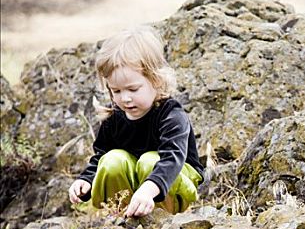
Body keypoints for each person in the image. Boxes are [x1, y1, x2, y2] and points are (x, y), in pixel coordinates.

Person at [68, 25, 204, 217]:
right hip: (135, 187)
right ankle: (123, 215)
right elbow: (100, 156)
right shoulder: (113, 118)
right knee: (112, 160)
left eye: (133, 89)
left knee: (150, 161)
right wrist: (87, 180)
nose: (125, 98)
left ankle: (161, 218)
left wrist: (148, 189)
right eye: (116, 91)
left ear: (156, 80)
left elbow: (172, 159)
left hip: (177, 179)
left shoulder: (171, 114)